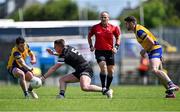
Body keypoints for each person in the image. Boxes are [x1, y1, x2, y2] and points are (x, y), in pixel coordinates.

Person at [124, 16, 179, 98]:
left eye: (127, 23)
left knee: (154, 69)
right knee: (159, 73)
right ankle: (170, 93)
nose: (126, 25)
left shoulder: (139, 31)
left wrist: (144, 50)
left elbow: (152, 42)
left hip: (154, 49)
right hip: (154, 50)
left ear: (132, 23)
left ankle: (171, 84)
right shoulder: (137, 30)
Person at [40, 39, 113, 99]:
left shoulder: (64, 55)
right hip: (80, 70)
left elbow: (53, 68)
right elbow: (65, 55)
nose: (54, 48)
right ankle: (61, 95)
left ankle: (106, 90)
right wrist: (53, 53)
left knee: (84, 87)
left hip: (86, 69)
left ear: (59, 47)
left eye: (55, 47)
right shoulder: (68, 47)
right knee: (62, 80)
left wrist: (43, 77)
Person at [88, 11, 121, 95]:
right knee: (103, 67)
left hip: (110, 52)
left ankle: (107, 88)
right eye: (102, 17)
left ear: (108, 18)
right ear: (100, 18)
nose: (103, 18)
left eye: (105, 17)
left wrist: (116, 47)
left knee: (111, 71)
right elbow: (89, 36)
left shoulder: (113, 27)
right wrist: (91, 46)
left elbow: (118, 36)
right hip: (99, 51)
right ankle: (103, 88)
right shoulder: (95, 27)